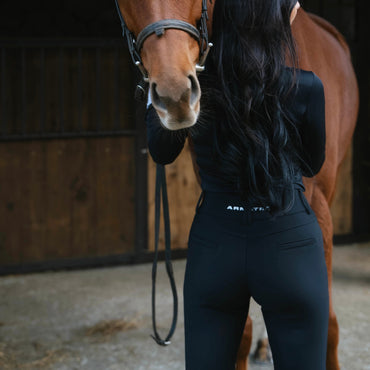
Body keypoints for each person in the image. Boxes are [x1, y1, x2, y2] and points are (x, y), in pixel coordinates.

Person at [145, 0, 329, 369]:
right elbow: (311, 164)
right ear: (280, 25)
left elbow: (162, 152)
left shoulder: (195, 91)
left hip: (215, 247)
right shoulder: (308, 88)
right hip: (290, 245)